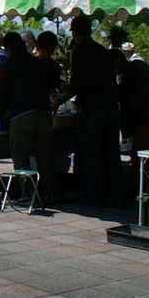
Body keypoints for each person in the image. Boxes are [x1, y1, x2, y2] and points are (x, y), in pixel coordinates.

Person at [54, 15, 124, 207]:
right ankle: (116, 193)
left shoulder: (80, 51)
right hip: (110, 107)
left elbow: (77, 84)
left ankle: (94, 193)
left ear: (75, 33)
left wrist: (59, 99)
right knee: (111, 150)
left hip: (92, 107)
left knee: (90, 151)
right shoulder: (102, 51)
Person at [0, 32, 56, 199]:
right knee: (44, 155)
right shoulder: (37, 62)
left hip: (22, 115)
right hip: (44, 113)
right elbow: (51, 84)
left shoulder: (10, 65)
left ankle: (28, 195)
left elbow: (0, 92)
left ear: (8, 48)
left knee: (20, 156)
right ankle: (50, 192)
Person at [115, 48, 149, 157]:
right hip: (148, 117)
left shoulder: (136, 66)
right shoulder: (125, 74)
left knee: (142, 153)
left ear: (117, 60)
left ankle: (146, 173)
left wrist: (135, 100)